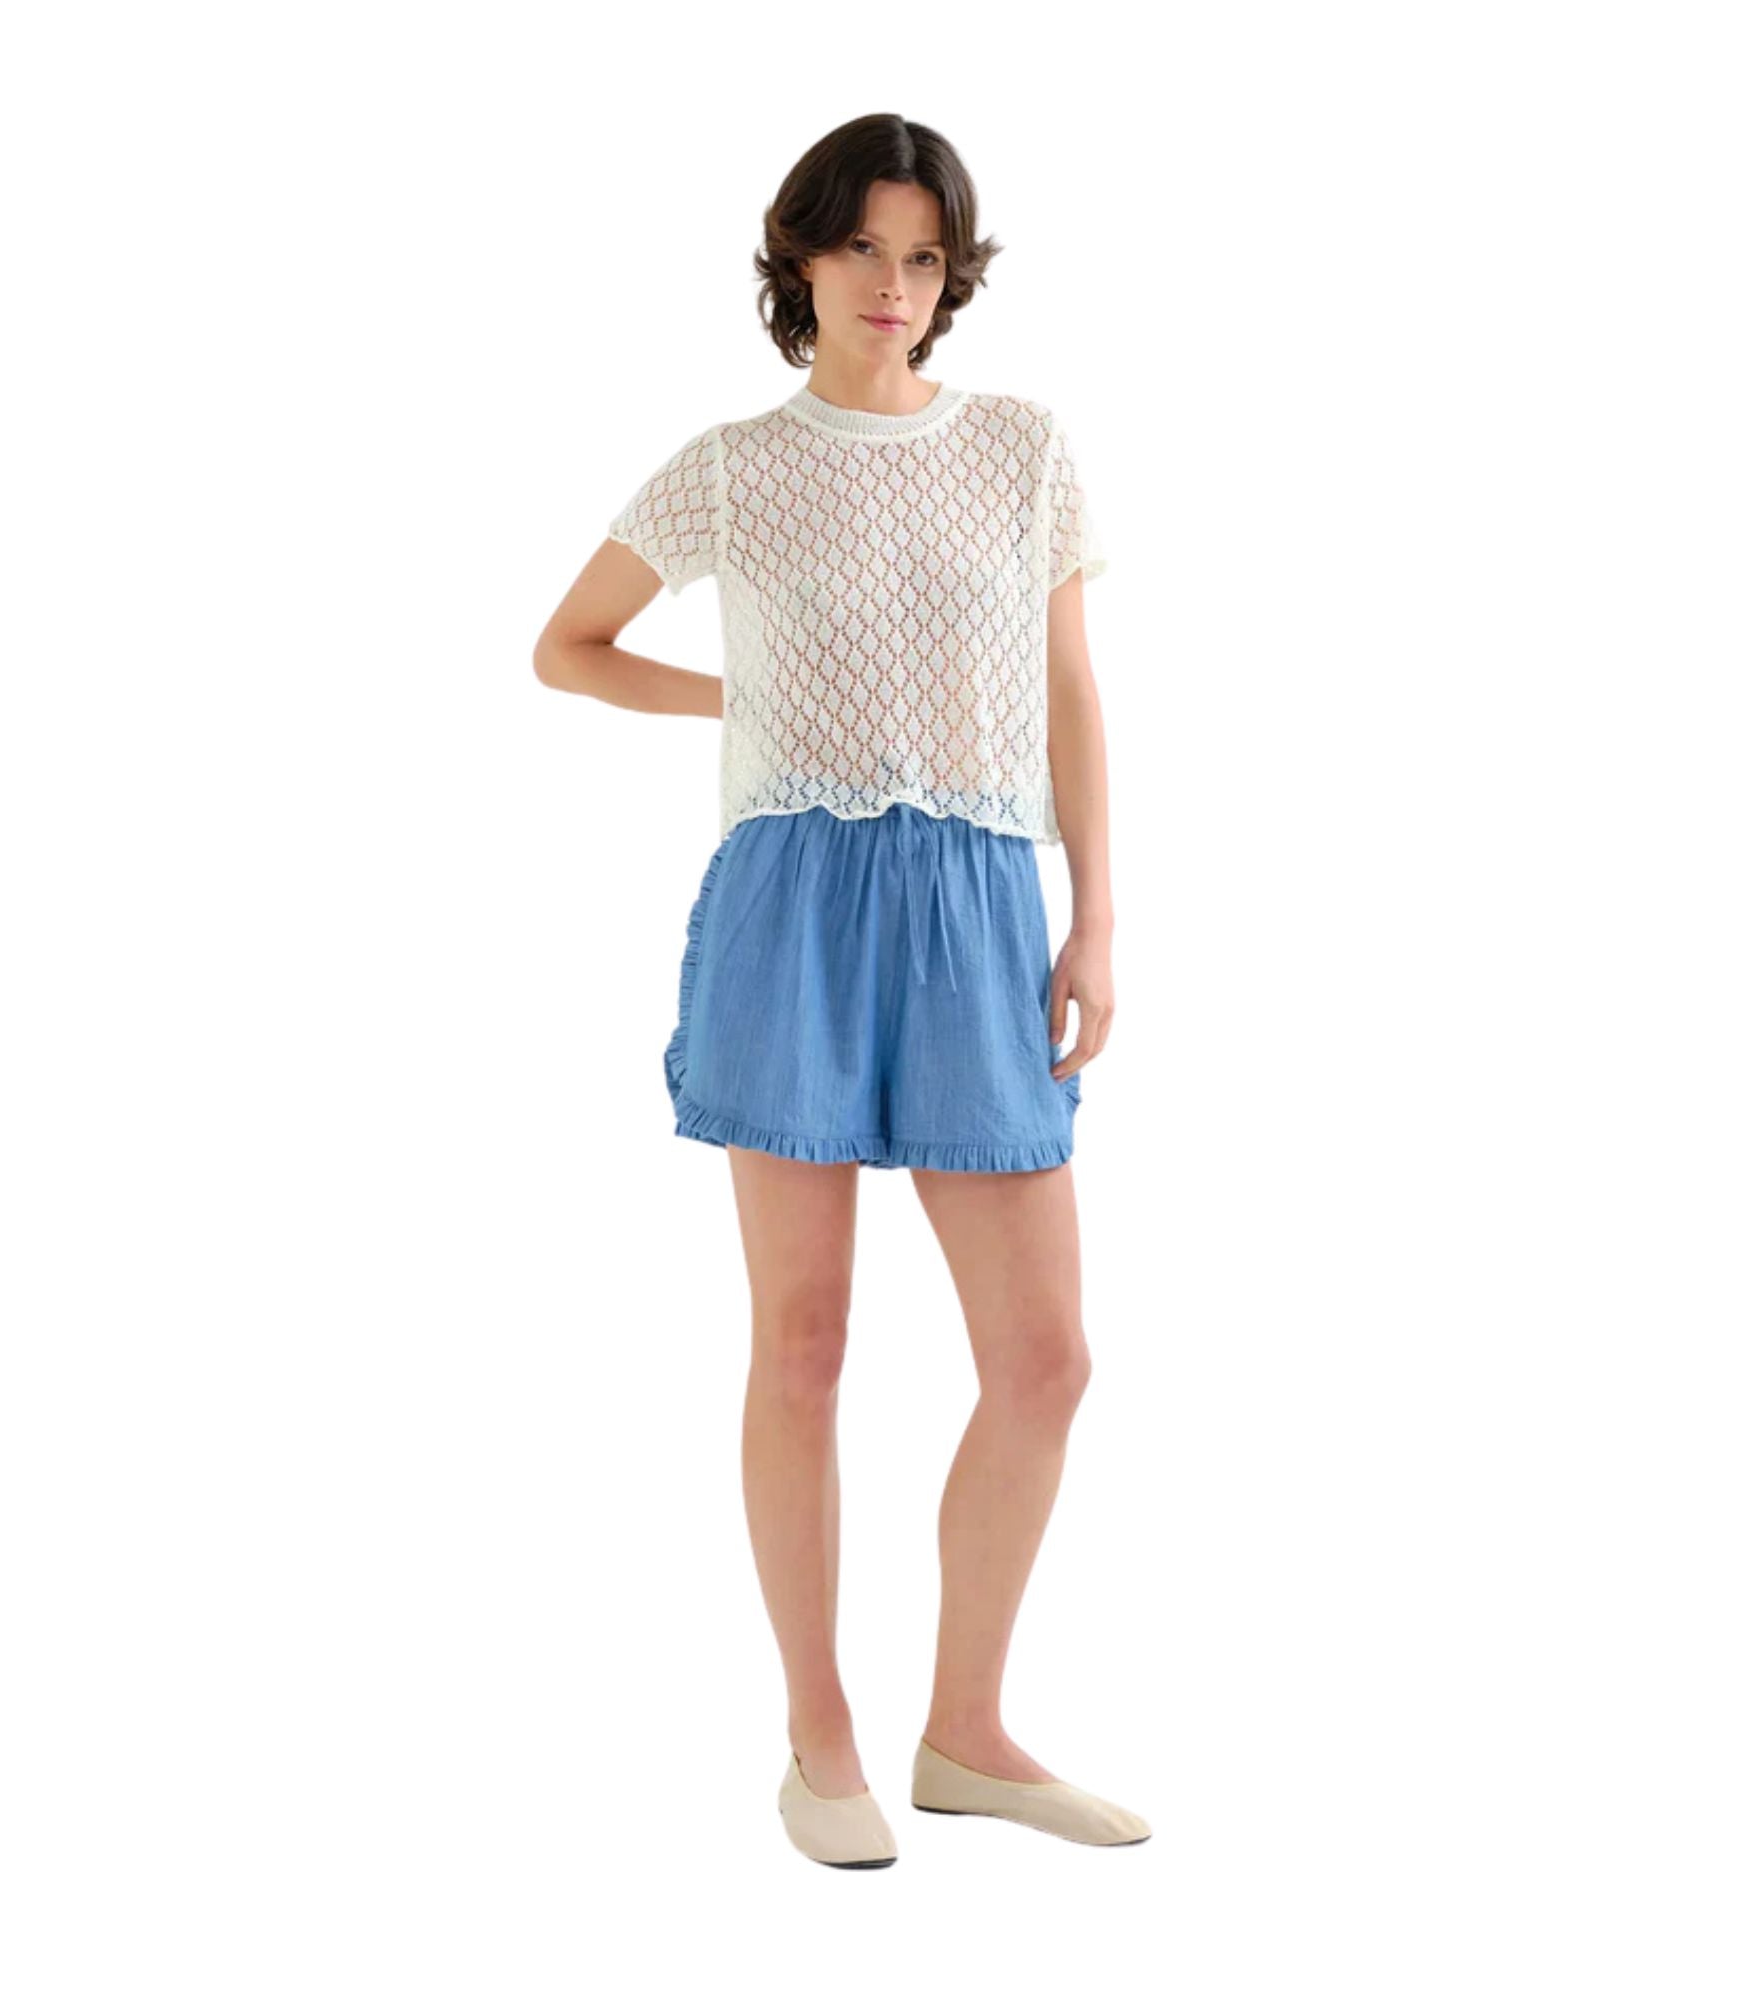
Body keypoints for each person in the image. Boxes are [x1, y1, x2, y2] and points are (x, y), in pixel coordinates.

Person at [532, 114, 1148, 1868]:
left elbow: (1073, 694)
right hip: (792, 903)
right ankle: (820, 1740)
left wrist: (1097, 921)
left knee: (1045, 1357)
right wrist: (735, 702)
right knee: (803, 1342)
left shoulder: (1023, 448)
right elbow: (565, 647)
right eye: (865, 249)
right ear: (800, 256)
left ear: (954, 277)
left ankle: (969, 1733)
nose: (895, 286)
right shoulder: (732, 467)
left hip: (979, 903)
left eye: (925, 257)